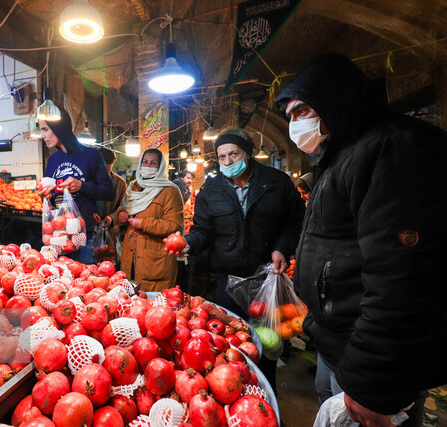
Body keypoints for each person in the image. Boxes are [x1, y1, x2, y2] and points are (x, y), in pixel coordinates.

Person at [275, 53, 447, 426]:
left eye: (302, 110)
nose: (295, 123)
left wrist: (372, 380)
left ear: (334, 100)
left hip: (372, 354)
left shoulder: (388, 150)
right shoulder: (341, 154)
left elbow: (402, 278)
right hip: (338, 341)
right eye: (289, 116)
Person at [169, 128, 304, 393]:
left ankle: (264, 399)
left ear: (248, 153)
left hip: (266, 280)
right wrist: (188, 243)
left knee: (266, 348)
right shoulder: (212, 189)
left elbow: (296, 223)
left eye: (234, 154)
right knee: (230, 348)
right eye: (222, 157)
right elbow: (203, 231)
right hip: (228, 284)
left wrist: (281, 248)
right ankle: (234, 396)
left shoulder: (276, 183)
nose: (228, 162)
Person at [37, 107, 115, 264]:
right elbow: (54, 202)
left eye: (46, 129)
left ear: (59, 127)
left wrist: (82, 186)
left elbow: (109, 192)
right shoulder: (52, 161)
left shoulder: (91, 155)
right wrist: (46, 196)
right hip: (56, 239)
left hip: (82, 239)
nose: (42, 135)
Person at [105, 149, 183, 292]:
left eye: (153, 163)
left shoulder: (170, 191)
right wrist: (121, 214)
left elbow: (174, 226)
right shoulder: (134, 187)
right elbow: (124, 207)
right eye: (145, 162)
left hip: (154, 263)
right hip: (130, 258)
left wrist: (144, 224)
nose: (148, 166)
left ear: (160, 167)